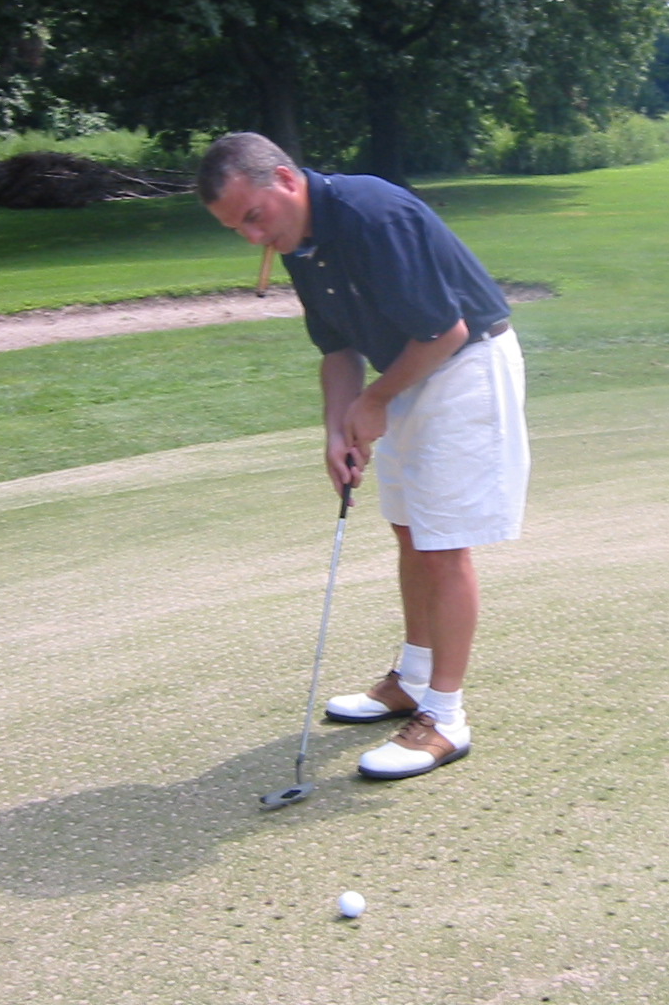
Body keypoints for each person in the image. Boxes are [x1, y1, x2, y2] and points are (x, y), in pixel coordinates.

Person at [196, 132, 529, 781]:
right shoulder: (298, 242)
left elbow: (446, 331)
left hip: (466, 365)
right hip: (409, 371)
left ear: (285, 180)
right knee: (409, 529)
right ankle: (413, 678)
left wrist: (374, 402)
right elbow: (338, 349)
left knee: (442, 544)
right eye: (237, 229)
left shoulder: (373, 215)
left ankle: (445, 717)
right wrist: (336, 428)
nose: (254, 238)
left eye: (254, 217)